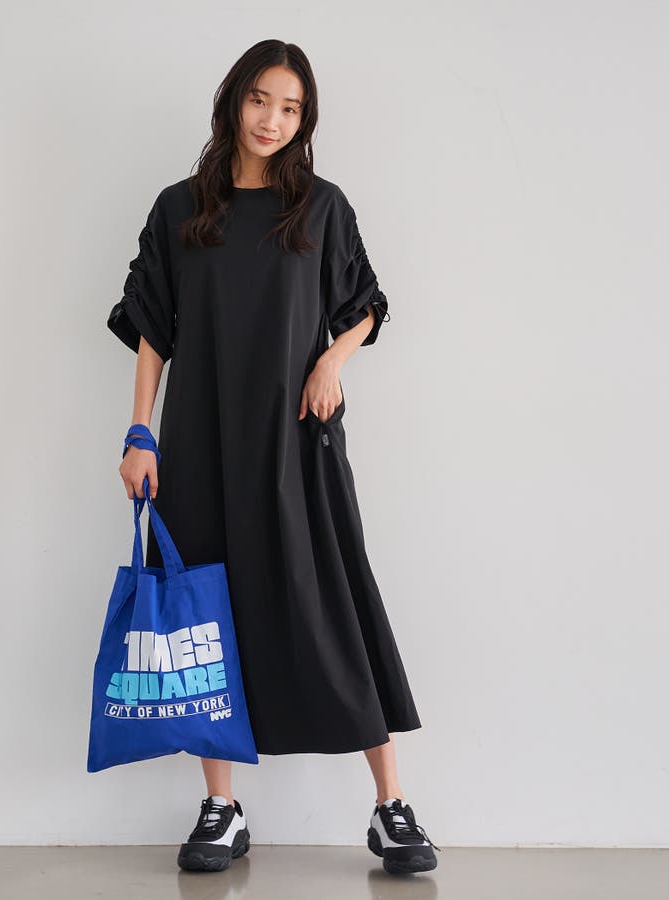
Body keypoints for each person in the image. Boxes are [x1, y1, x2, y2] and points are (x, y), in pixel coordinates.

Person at [107, 39, 441, 876]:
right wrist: (140, 432)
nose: (272, 120)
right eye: (261, 99)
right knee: (206, 617)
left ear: (304, 120)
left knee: (333, 602)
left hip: (297, 442)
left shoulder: (320, 208)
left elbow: (366, 303)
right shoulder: (181, 208)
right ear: (234, 101)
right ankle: (222, 809)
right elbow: (151, 327)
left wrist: (332, 361)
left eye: (291, 108)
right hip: (202, 443)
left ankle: (391, 807)